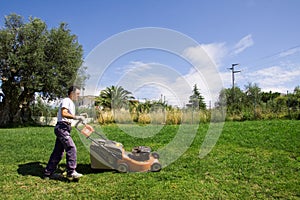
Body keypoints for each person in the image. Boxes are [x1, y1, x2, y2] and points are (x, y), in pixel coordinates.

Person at [44, 86, 85, 180]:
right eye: (77, 94)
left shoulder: (71, 103)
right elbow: (64, 113)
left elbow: (68, 115)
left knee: (58, 152)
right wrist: (76, 117)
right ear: (72, 93)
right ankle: (71, 172)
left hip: (65, 127)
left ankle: (48, 173)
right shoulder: (67, 100)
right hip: (62, 127)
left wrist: (79, 117)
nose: (78, 96)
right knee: (71, 147)